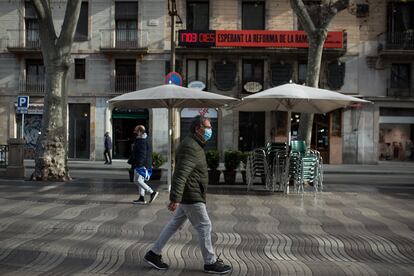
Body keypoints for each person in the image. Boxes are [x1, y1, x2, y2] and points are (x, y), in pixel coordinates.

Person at [144, 116, 232, 274]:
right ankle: (210, 262)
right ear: (198, 128)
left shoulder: (194, 144)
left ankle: (153, 253)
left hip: (190, 192)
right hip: (192, 194)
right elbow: (180, 174)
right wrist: (175, 198)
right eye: (207, 127)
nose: (210, 131)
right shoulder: (191, 146)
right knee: (205, 226)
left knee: (174, 224)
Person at [128, 125, 158, 205]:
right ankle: (141, 198)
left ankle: (152, 192)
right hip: (143, 163)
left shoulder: (142, 140)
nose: (135, 133)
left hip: (141, 164)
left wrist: (140, 165)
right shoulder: (146, 139)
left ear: (140, 131)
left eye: (136, 131)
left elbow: (142, 154)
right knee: (140, 180)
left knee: (137, 180)